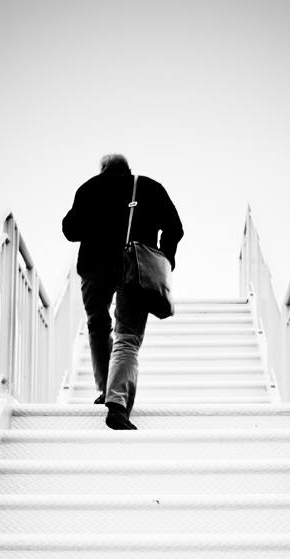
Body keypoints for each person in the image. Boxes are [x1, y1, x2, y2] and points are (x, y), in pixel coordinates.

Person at [62, 154, 183, 430]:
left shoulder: (89, 188)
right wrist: (165, 259)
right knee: (127, 336)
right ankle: (117, 404)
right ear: (127, 169)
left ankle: (105, 389)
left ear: (103, 169)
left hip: (94, 270)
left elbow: (70, 230)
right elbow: (175, 228)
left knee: (97, 325)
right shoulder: (149, 187)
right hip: (135, 270)